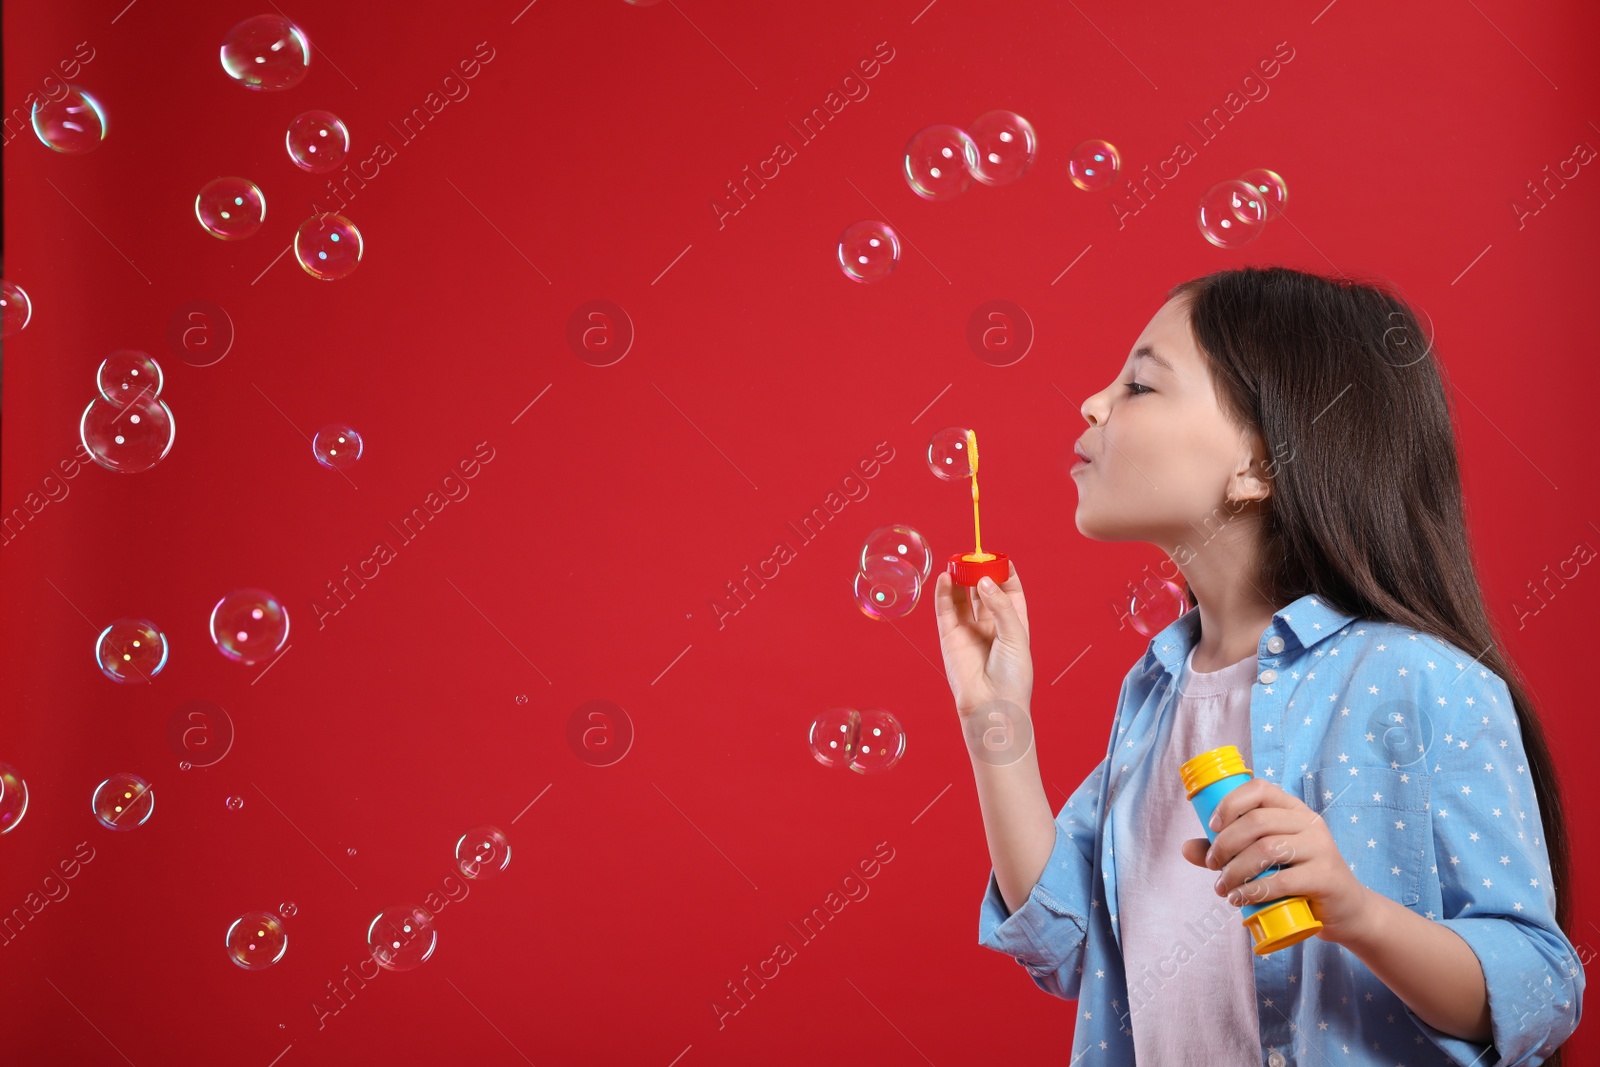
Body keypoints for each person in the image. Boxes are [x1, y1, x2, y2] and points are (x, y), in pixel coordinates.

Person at [935, 265, 1583, 1066]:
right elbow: (1067, 937)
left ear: (1259, 466)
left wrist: (1355, 911)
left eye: (1139, 384)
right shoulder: (1158, 691)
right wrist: (993, 716)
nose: (1093, 404)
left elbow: (1542, 986)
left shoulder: (1421, 682)